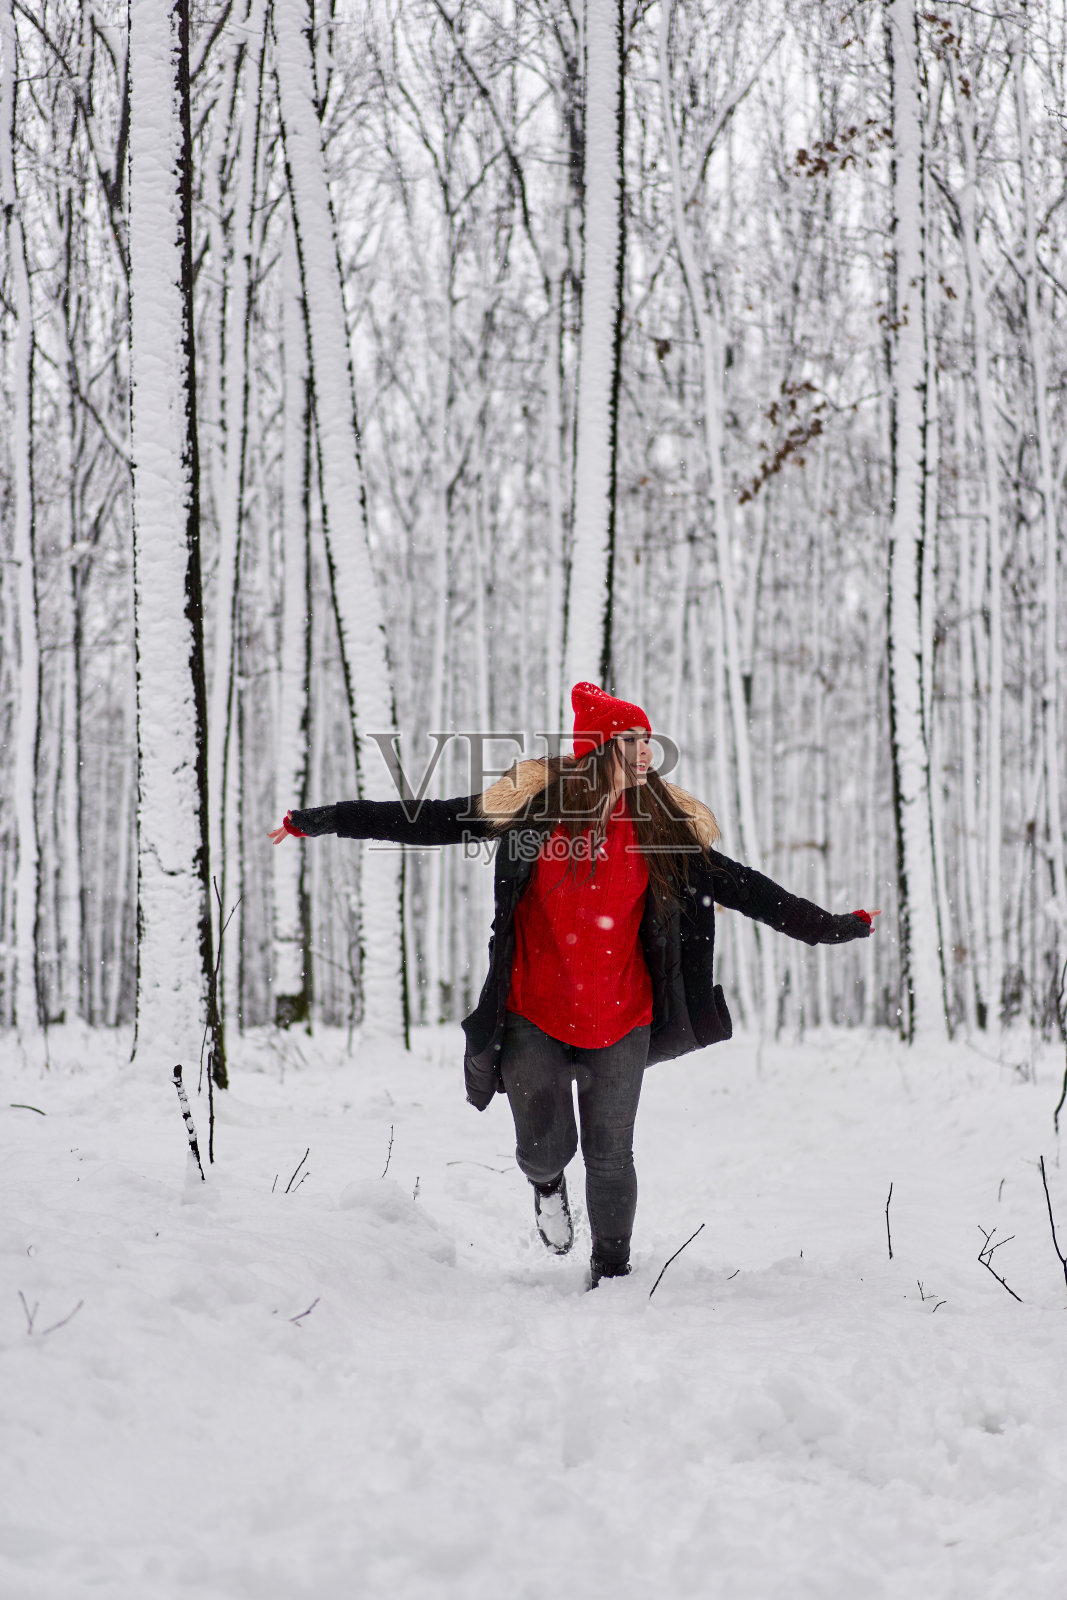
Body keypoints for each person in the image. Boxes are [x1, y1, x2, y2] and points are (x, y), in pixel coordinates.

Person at [270, 682, 877, 1289]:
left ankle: (611, 1275)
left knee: (612, 1157)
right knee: (543, 1148)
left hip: (622, 1016)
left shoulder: (657, 827)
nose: (647, 754)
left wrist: (828, 928)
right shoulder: (532, 815)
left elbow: (745, 887)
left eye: (647, 741)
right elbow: (424, 820)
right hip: (534, 1010)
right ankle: (546, 1186)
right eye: (633, 742)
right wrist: (316, 821)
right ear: (599, 750)